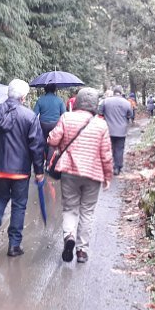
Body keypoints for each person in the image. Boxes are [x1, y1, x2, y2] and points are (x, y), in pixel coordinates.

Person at [0, 79, 46, 257]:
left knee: (0, 198)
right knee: (19, 205)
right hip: (20, 172)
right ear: (23, 97)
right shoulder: (29, 117)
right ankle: (14, 245)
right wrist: (39, 171)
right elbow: (36, 147)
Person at [47, 88, 113, 263]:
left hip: (69, 170)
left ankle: (69, 236)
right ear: (95, 104)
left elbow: (53, 140)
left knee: (70, 208)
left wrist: (57, 141)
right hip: (93, 173)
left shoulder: (66, 118)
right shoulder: (101, 124)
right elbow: (106, 154)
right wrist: (107, 176)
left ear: (77, 101)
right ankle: (82, 250)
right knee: (87, 211)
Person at [102, 86, 132, 175]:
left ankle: (108, 166)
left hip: (108, 130)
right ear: (121, 92)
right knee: (119, 149)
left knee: (109, 148)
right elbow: (130, 115)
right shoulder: (127, 103)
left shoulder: (106, 101)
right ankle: (117, 167)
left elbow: (100, 112)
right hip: (121, 131)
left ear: (114, 92)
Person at [33, 84, 65, 163]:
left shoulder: (40, 100)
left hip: (43, 124)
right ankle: (48, 162)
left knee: (43, 141)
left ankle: (41, 161)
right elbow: (64, 114)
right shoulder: (59, 100)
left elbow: (34, 114)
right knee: (52, 143)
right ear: (54, 90)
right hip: (55, 124)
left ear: (45, 90)